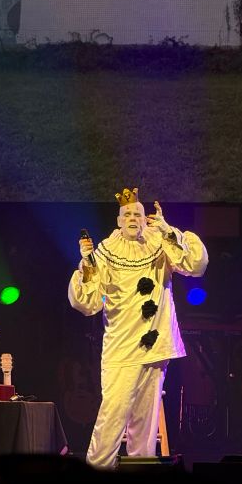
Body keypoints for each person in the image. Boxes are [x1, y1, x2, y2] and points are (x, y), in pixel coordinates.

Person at [67, 186, 208, 469]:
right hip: (121, 347)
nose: (133, 218)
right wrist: (87, 263)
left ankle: (139, 476)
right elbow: (88, 303)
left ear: (146, 219)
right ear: (119, 221)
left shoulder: (160, 242)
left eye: (138, 214)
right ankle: (97, 471)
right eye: (127, 214)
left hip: (155, 347)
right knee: (113, 414)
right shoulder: (107, 251)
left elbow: (195, 265)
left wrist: (170, 231)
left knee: (145, 420)